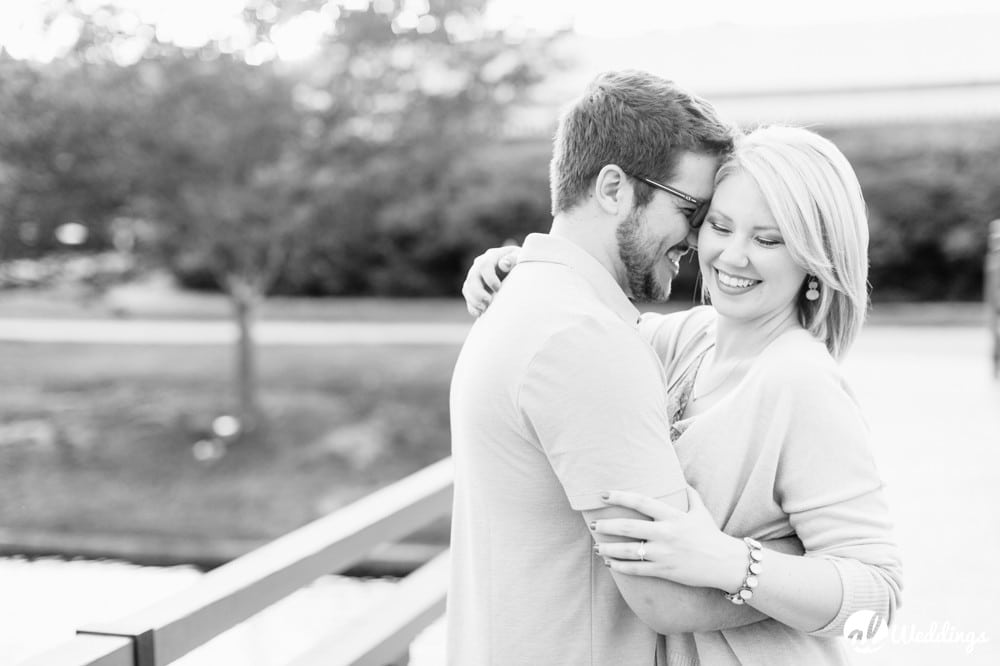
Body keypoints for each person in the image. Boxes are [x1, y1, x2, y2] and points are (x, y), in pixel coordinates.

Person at [461, 125, 902, 665]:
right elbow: (581, 325)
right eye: (719, 225)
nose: (732, 256)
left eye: (767, 239)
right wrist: (515, 266)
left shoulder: (800, 381)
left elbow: (878, 596)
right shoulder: (682, 340)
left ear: (814, 257)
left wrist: (732, 564)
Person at [447, 70, 788, 666]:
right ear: (612, 188)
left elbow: (724, 333)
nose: (699, 238)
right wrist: (815, 570)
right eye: (692, 209)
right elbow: (668, 598)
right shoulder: (582, 340)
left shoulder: (530, 302)